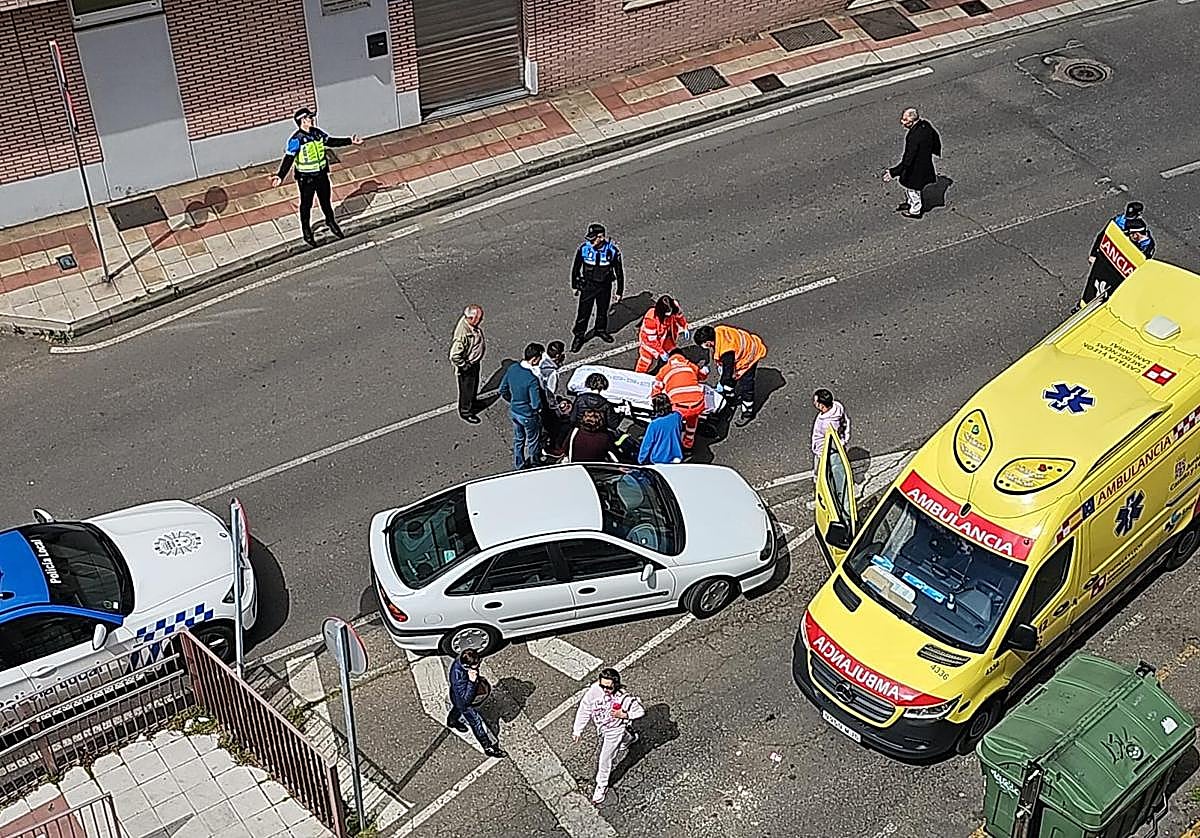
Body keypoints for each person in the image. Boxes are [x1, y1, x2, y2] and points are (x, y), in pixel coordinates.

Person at [270, 107, 362, 247]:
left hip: (321, 174)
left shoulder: (317, 133)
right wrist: (280, 176)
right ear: (302, 121)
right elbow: (289, 158)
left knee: (325, 201)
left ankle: (330, 221)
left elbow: (330, 141)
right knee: (306, 205)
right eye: (309, 117)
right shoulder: (296, 139)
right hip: (306, 178)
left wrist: (350, 141)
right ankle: (306, 230)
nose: (312, 119)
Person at [573, 667, 645, 805]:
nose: (605, 690)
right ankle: (628, 738)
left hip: (615, 730)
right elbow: (585, 708)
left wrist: (625, 715)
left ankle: (601, 785)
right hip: (603, 727)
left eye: (609, 687)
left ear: (615, 685)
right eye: (602, 686)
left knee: (605, 758)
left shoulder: (624, 698)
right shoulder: (594, 690)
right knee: (620, 742)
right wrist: (578, 729)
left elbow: (640, 711)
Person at [693, 324, 767, 427]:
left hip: (749, 355)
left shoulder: (726, 351)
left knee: (746, 386)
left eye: (703, 345)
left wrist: (722, 383)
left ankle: (747, 412)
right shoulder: (718, 331)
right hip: (745, 346)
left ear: (708, 342)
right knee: (730, 380)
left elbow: (728, 373)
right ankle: (730, 398)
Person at [570, 223, 625, 352]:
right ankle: (579, 336)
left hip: (604, 286)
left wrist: (619, 291)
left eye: (593, 238)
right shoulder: (584, 249)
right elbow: (576, 268)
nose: (591, 241)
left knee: (602, 310)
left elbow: (619, 272)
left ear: (601, 237)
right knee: (583, 313)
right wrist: (575, 285)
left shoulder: (612, 251)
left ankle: (600, 330)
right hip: (588, 286)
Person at [446, 649, 506, 759]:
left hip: (456, 696)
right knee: (477, 723)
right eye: (477, 664)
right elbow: (465, 701)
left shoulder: (462, 660)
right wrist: (472, 681)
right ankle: (488, 747)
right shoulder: (458, 678)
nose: (479, 665)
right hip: (463, 702)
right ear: (467, 666)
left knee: (457, 709)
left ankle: (452, 721)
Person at [882, 107, 941, 220]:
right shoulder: (925, 125)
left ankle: (915, 210)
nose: (902, 122)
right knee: (911, 188)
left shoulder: (914, 137)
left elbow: (908, 159)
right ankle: (911, 203)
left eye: (905, 120)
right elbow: (935, 138)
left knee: (913, 189)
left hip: (916, 168)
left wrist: (893, 172)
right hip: (923, 163)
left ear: (911, 121)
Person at [498, 344, 545, 470]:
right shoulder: (531, 379)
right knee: (532, 440)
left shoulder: (512, 368)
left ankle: (519, 463)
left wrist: (512, 401)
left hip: (514, 411)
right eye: (540, 358)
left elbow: (502, 389)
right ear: (534, 359)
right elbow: (535, 404)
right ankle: (535, 462)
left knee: (519, 438)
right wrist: (537, 410)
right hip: (527, 415)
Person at [652, 349, 707, 452]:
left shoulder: (665, 369)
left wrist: (655, 399)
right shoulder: (690, 366)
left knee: (673, 423)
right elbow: (702, 377)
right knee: (692, 421)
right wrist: (704, 371)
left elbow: (657, 387)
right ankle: (688, 443)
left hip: (679, 407)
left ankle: (674, 443)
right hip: (698, 404)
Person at [449, 304, 486, 425]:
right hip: (467, 366)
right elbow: (454, 355)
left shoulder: (469, 325)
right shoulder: (463, 335)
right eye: (479, 318)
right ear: (470, 318)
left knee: (473, 385)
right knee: (466, 389)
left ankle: (472, 402)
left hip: (474, 363)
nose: (481, 320)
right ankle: (466, 411)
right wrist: (464, 365)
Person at [635, 295, 689, 374]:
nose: (669, 315)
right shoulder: (650, 319)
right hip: (649, 344)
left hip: (665, 337)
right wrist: (661, 352)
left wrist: (684, 326)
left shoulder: (674, 306)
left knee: (673, 353)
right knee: (646, 361)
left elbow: (679, 316)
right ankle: (638, 375)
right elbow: (652, 340)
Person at [811, 388, 851, 470]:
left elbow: (825, 441)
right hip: (840, 442)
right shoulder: (838, 406)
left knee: (821, 469)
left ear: (822, 406)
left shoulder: (826, 424)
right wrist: (844, 441)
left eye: (816, 401)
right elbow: (846, 422)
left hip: (825, 451)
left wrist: (819, 452)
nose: (814, 402)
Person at [638, 395, 684, 464]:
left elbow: (646, 444)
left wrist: (641, 459)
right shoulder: (677, 416)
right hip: (676, 456)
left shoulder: (654, 424)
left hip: (659, 459)